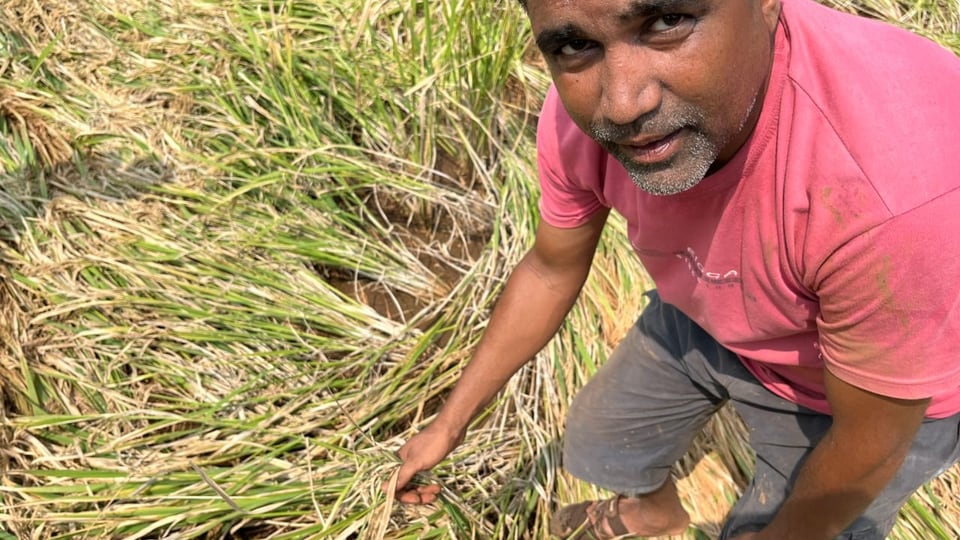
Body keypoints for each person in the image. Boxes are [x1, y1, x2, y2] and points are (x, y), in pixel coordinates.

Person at [385, 0, 960, 537]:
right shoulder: (575, 123)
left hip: (857, 396)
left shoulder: (893, 196)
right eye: (573, 46)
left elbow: (871, 442)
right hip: (714, 310)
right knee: (601, 439)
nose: (622, 104)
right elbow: (550, 269)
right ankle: (654, 512)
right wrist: (448, 426)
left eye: (665, 22)